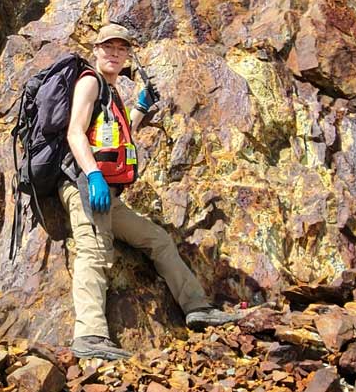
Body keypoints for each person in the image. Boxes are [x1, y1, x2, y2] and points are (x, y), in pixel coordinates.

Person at [60, 24, 230, 360]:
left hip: (108, 195)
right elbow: (75, 133)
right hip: (83, 186)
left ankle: (197, 307)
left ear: (127, 56)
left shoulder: (110, 92)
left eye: (121, 49)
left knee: (158, 239)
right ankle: (89, 335)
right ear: (96, 49)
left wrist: (139, 108)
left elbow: (117, 136)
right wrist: (93, 175)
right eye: (108, 47)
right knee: (95, 251)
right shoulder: (90, 82)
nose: (114, 53)